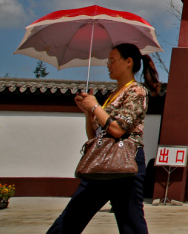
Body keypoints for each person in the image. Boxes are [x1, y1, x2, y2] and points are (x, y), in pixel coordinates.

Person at [47, 42, 159, 234]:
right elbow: (95, 136)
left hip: (126, 161)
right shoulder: (112, 94)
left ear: (128, 62)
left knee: (131, 223)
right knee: (70, 218)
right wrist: (87, 111)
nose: (108, 65)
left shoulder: (137, 91)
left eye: (112, 60)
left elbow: (118, 129)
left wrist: (95, 107)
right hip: (102, 160)